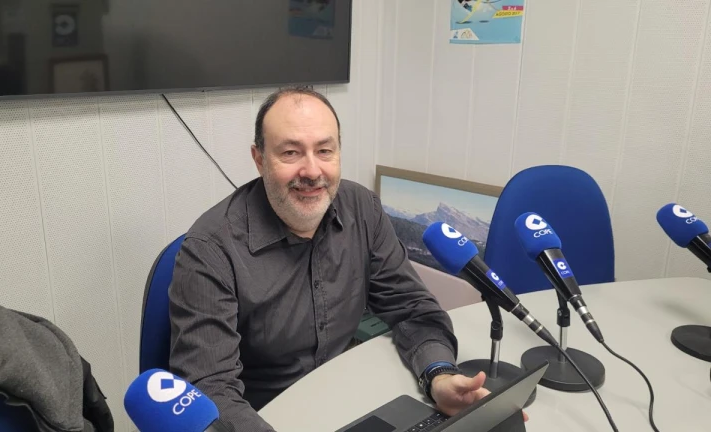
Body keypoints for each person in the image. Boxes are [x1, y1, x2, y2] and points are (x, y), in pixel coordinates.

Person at [169, 86, 494, 431]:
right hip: (263, 416)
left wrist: (439, 375)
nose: (312, 171)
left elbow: (411, 307)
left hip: (346, 399)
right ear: (259, 159)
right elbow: (211, 388)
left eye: (325, 150)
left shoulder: (363, 209)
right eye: (291, 152)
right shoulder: (209, 249)